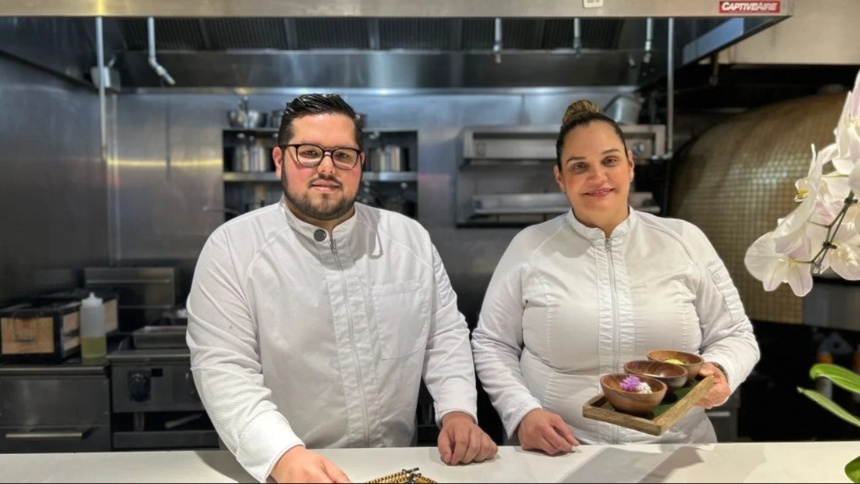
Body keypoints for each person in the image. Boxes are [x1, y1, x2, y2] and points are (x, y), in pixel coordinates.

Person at [187, 94, 497, 483]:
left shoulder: (409, 239)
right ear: (279, 159)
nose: (326, 167)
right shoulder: (233, 248)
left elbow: (443, 336)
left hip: (393, 467)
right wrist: (283, 456)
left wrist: (457, 412)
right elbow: (224, 368)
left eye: (343, 155)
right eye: (308, 152)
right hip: (281, 469)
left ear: (360, 163)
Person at [470, 99, 760, 455]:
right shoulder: (530, 247)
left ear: (630, 165)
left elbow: (735, 334)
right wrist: (522, 413)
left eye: (609, 161)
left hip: (674, 450)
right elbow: (492, 343)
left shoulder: (685, 241)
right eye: (580, 166)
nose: (598, 177)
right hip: (561, 451)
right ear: (560, 178)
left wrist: (721, 370)